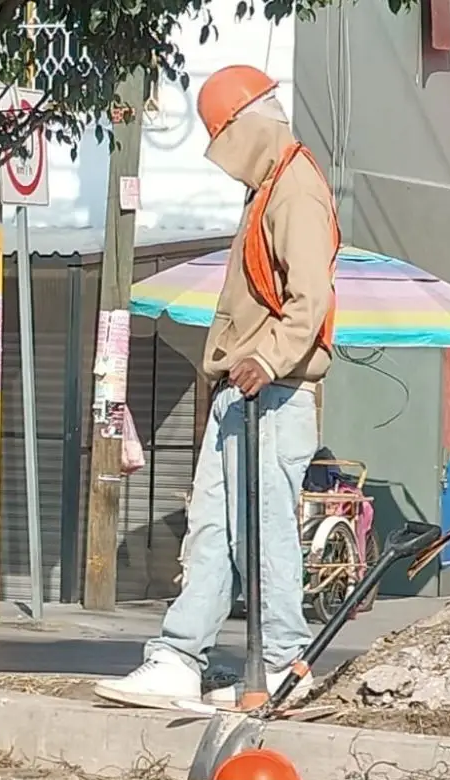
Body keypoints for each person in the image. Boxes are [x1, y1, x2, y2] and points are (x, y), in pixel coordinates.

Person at [94, 65, 338, 709]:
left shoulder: (296, 191)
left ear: (247, 122)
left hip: (275, 397)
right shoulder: (268, 192)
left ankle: (286, 663)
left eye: (223, 134)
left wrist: (269, 357)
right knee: (212, 530)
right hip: (245, 395)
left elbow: (309, 299)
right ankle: (179, 658)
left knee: (261, 537)